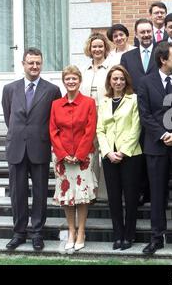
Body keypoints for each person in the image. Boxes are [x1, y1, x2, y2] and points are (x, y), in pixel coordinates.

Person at [2, 48, 61, 250]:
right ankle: (19, 233)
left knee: (40, 192)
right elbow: (8, 115)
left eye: (38, 63)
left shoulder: (52, 90)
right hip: (16, 147)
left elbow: (55, 120)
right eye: (30, 63)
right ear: (23, 64)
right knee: (17, 193)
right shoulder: (9, 89)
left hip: (40, 147)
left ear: (41, 64)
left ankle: (37, 233)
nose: (34, 66)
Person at [139, 41, 172, 256]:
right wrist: (162, 134)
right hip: (155, 146)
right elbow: (145, 115)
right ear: (163, 60)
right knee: (157, 193)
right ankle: (156, 238)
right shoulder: (145, 82)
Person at [50, 65, 97, 251]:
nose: (71, 82)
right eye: (68, 79)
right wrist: (63, 154)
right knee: (67, 196)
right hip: (62, 158)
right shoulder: (55, 104)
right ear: (64, 81)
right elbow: (53, 131)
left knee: (82, 196)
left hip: (83, 158)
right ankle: (71, 231)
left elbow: (90, 130)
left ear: (79, 81)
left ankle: (81, 231)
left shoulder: (89, 103)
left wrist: (79, 154)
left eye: (74, 79)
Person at [96, 65, 142, 251]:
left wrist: (122, 151)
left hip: (130, 155)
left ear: (126, 81)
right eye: (115, 79)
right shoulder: (104, 102)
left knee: (130, 197)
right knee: (114, 198)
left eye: (121, 79)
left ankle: (129, 235)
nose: (118, 82)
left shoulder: (134, 100)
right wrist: (108, 152)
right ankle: (118, 235)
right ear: (109, 81)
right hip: (109, 156)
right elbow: (100, 130)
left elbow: (136, 128)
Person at [121, 18, 155, 207]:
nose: (146, 35)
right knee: (138, 153)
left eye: (148, 31)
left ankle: (155, 192)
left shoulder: (161, 52)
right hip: (134, 111)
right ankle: (141, 191)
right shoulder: (128, 57)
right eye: (142, 32)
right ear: (136, 34)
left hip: (157, 111)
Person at [80, 32, 111, 203]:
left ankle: (105, 193)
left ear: (105, 48)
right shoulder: (83, 70)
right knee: (90, 154)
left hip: (106, 115)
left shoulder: (111, 68)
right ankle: (90, 190)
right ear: (89, 49)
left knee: (105, 152)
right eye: (94, 47)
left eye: (100, 46)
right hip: (87, 117)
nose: (97, 49)